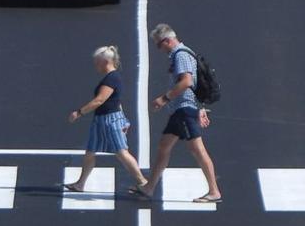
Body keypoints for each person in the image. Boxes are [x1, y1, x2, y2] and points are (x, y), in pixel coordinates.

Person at [136, 24, 221, 205]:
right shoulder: (184, 53)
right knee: (163, 147)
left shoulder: (181, 54)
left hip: (183, 109)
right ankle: (149, 187)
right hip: (181, 110)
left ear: (167, 40)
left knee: (197, 150)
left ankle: (214, 191)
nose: (159, 49)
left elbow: (187, 82)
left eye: (159, 45)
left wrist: (164, 99)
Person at [67, 46, 147, 194]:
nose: (95, 65)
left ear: (105, 62)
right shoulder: (111, 78)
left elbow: (100, 100)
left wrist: (79, 113)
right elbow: (117, 101)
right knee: (90, 152)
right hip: (101, 120)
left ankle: (143, 182)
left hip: (110, 121)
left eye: (97, 62)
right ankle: (80, 184)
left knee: (122, 153)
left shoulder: (112, 78)